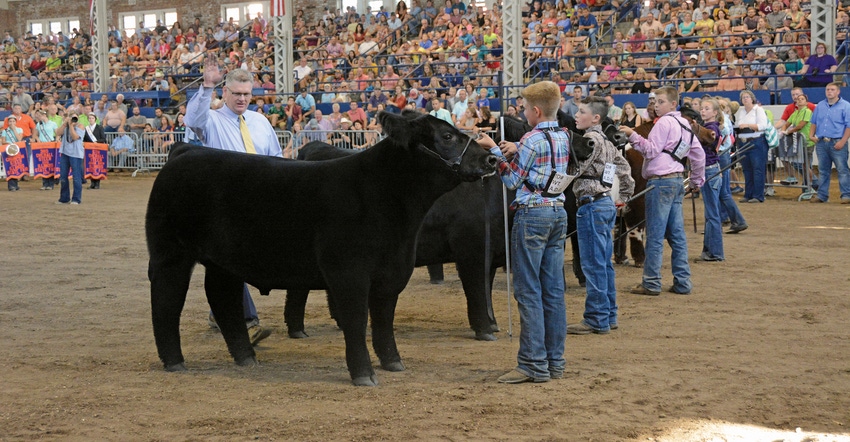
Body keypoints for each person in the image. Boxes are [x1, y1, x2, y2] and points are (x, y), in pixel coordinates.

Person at [474, 81, 569, 383]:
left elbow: (513, 181)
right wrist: (516, 149)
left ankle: (532, 363)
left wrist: (495, 151)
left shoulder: (531, 138)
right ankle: (554, 361)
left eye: (526, 109)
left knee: (528, 291)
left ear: (536, 111)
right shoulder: (564, 136)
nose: (524, 113)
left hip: (532, 215)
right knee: (553, 291)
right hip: (557, 212)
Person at [184, 55, 280, 345]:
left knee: (226, 264)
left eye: (246, 94)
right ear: (224, 92)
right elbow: (193, 119)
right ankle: (247, 321)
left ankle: (219, 312)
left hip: (259, 204)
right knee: (233, 261)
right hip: (223, 205)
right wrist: (206, 87)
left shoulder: (261, 121)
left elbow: (276, 160)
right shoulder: (211, 120)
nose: (241, 99)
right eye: (236, 94)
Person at [619, 86, 706, 296]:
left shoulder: (663, 123)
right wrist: (696, 181)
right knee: (677, 235)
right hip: (676, 181)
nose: (656, 106)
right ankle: (683, 281)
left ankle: (651, 282)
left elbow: (650, 149)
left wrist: (632, 135)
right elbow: (698, 155)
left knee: (656, 235)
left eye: (660, 102)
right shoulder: (685, 125)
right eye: (655, 101)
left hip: (660, 182)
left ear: (672, 104)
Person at [567, 97, 634, 335]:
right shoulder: (606, 141)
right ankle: (609, 314)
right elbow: (625, 171)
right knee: (603, 263)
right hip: (604, 203)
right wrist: (624, 197)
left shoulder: (589, 140)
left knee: (594, 264)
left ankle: (596, 318)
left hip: (591, 205)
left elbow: (577, 170)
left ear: (596, 118)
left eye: (582, 111)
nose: (576, 115)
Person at [809, 82, 850, 204]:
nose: (829, 92)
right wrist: (811, 135)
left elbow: (849, 126)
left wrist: (843, 141)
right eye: (827, 89)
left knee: (842, 169)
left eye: (832, 89)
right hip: (822, 142)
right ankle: (822, 195)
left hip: (837, 141)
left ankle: (846, 195)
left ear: (838, 92)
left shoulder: (846, 106)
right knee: (823, 170)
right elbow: (814, 122)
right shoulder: (820, 105)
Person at [696, 99, 725, 261]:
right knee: (710, 213)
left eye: (707, 109)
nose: (703, 111)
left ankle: (715, 252)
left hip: (709, 170)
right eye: (702, 108)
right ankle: (709, 250)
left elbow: (711, 138)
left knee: (712, 214)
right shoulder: (708, 127)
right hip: (711, 169)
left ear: (715, 112)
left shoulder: (710, 128)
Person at [733, 90, 770, 203]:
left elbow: (763, 125)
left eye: (747, 97)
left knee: (758, 168)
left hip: (756, 140)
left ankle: (758, 195)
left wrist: (748, 125)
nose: (745, 99)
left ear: (752, 98)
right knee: (747, 169)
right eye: (743, 97)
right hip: (743, 141)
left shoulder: (758, 110)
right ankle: (748, 194)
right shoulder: (741, 111)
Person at [55, 111, 85, 205]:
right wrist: (65, 124)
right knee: (63, 176)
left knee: (76, 177)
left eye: (75, 118)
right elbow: (58, 133)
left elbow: (75, 137)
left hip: (76, 154)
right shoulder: (65, 125)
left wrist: (71, 126)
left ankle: (76, 198)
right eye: (72, 117)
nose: (73, 120)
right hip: (65, 152)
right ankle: (64, 198)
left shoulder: (80, 126)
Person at [34, 110, 59, 190]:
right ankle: (45, 183)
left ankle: (50, 184)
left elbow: (58, 133)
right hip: (42, 145)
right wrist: (38, 140)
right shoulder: (39, 124)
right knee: (43, 165)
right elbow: (35, 134)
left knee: (50, 165)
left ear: (44, 115)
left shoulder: (53, 124)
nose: (39, 117)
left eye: (40, 115)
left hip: (50, 145)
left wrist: (57, 140)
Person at [82, 112, 106, 189]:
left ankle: (97, 183)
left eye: (92, 118)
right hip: (89, 150)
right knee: (90, 166)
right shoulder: (86, 128)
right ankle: (92, 183)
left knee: (97, 166)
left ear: (95, 119)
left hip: (98, 150)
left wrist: (96, 142)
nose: (91, 119)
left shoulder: (99, 128)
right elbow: (84, 139)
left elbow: (103, 139)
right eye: (89, 118)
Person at [2, 116, 23, 191]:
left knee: (16, 167)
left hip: (16, 150)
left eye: (13, 121)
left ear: (16, 122)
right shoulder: (5, 131)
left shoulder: (19, 129)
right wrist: (9, 143)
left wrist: (14, 130)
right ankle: (11, 185)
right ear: (8, 122)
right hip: (8, 150)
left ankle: (16, 184)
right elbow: (3, 141)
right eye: (10, 121)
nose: (12, 123)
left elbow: (19, 139)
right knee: (10, 168)